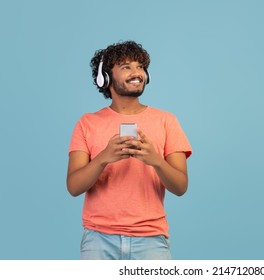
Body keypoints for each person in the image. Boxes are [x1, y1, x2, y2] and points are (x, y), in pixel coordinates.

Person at [67, 40, 192, 260]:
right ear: (105, 78)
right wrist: (103, 158)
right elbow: (74, 187)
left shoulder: (167, 121)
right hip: (98, 239)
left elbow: (181, 186)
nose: (137, 72)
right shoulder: (87, 123)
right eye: (126, 67)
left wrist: (156, 161)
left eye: (140, 66)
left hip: (151, 240)